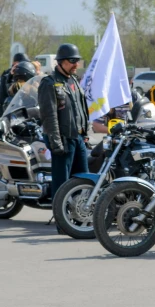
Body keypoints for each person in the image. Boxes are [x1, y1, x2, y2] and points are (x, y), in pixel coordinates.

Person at [38, 43, 89, 230]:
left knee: (83, 182)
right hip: (63, 139)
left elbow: (80, 109)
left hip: (78, 138)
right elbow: (49, 116)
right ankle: (62, 223)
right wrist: (56, 142)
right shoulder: (49, 83)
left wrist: (85, 134)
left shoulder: (74, 81)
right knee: (62, 185)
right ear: (61, 62)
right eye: (72, 61)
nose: (76, 64)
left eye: (77, 60)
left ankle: (78, 219)